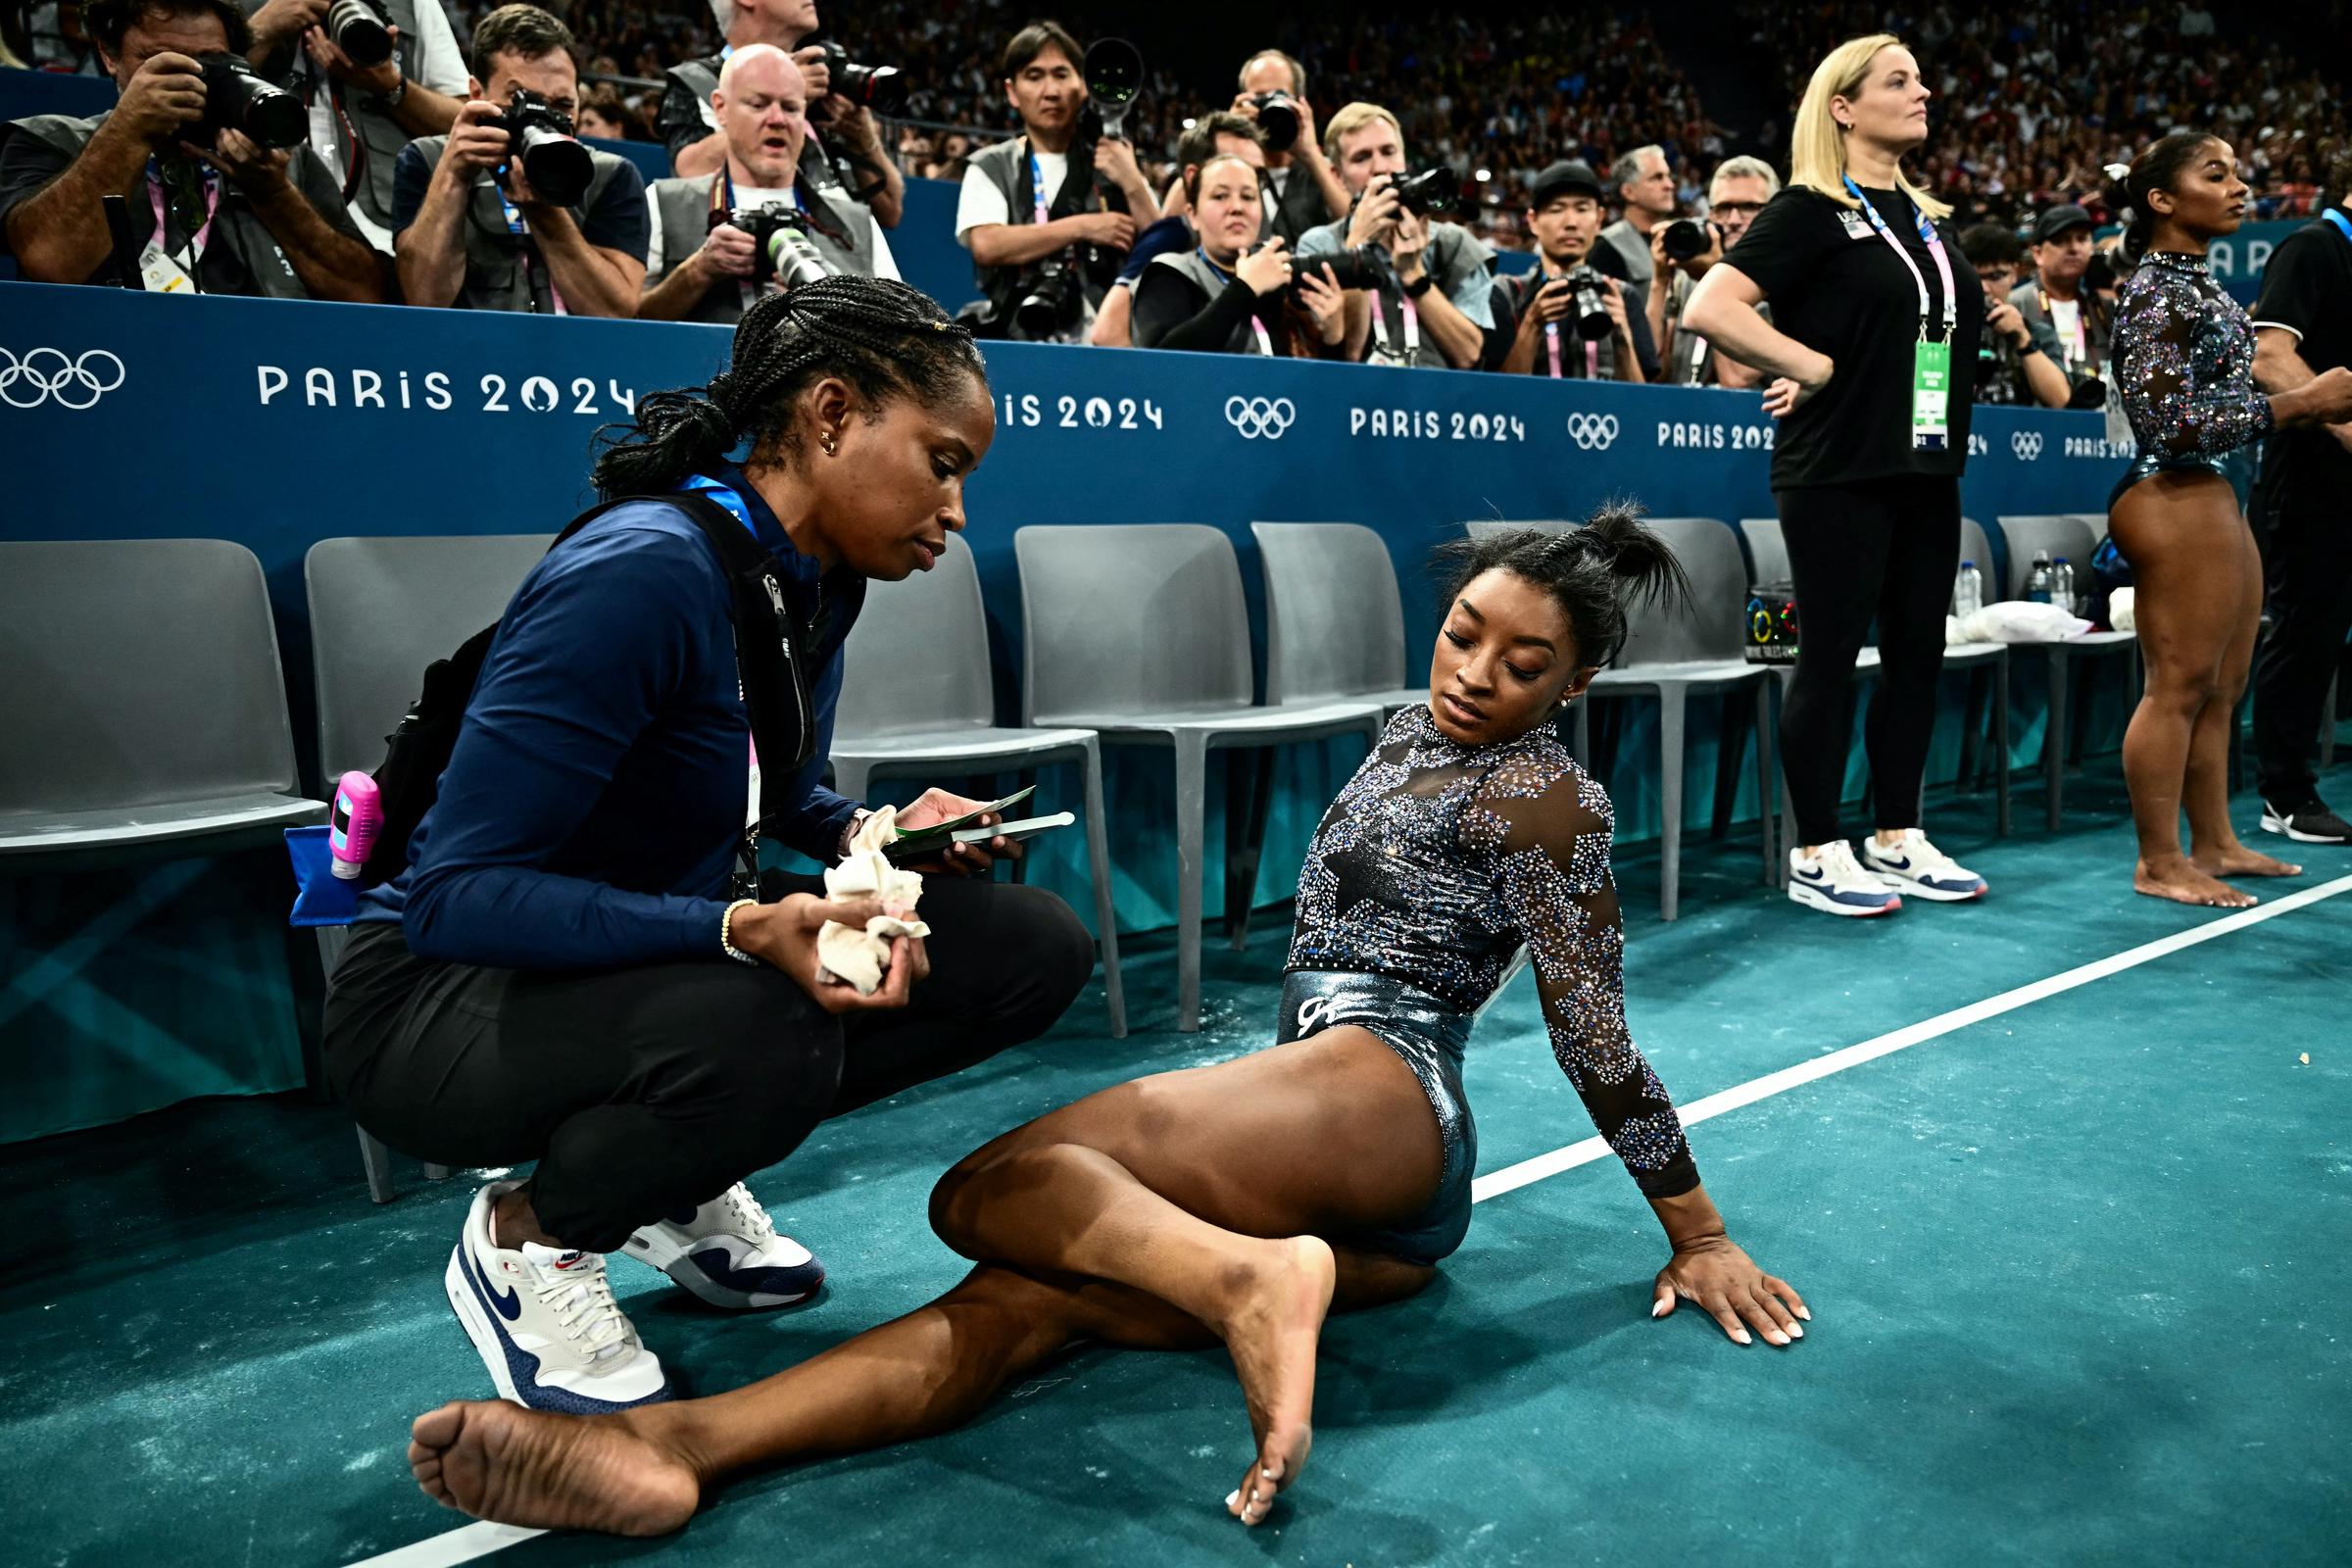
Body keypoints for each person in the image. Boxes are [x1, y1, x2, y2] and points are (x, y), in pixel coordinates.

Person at [399, 511, 1808, 1538]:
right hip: (1328, 1154)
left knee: (989, 1188)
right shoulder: (1409, 732)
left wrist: (1697, 1233)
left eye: (1525, 664)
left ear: (1574, 687)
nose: (1478, 673)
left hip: (1389, 1096)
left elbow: (1594, 1035)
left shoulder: (1547, 799)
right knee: (1020, 1299)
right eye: (1466, 635)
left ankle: (1259, 1284)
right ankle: (678, 1449)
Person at [325, 278, 1098, 1416]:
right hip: (436, 999)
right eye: (943, 462)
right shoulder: (641, 571)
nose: (958, 508)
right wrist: (738, 926)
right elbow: (455, 895)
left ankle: (670, 1181)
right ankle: (530, 1236)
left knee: (1029, 946)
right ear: (831, 415)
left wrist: (870, 832)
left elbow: (776, 797)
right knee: (773, 1018)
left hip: (628, 969)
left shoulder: (815, 579)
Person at [1683, 32, 1989, 917]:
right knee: (1828, 660)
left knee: (1918, 658)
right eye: (1900, 81)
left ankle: (1898, 832)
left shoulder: (1929, 219)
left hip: (1927, 465)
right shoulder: (1810, 207)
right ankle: (1817, 848)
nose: (1923, 92)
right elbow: (1713, 305)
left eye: (1923, 78)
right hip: (1836, 472)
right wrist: (1809, 366)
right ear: (1843, 106)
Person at [2102, 133, 2352, 906]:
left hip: (2211, 490)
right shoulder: (2155, 289)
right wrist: (2303, 404)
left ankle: (2213, 841)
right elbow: (2167, 422)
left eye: (2239, 172)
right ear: (2162, 201)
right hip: (2168, 491)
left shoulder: (2199, 287)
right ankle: (2158, 860)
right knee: (2176, 686)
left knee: (2223, 684)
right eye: (2217, 175)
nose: (2241, 186)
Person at [0, 0, 384, 298]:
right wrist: (130, 128)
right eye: (159, 60)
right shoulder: (48, 139)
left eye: (207, 62)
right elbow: (51, 264)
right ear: (109, 54)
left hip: (266, 371)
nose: (187, 77)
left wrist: (275, 195)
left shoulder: (285, 159)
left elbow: (362, 296)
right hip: (112, 368)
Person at [390, 4, 646, 315]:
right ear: (476, 93)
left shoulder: (611, 175)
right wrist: (453, 176)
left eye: (563, 105)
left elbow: (614, 313)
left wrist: (544, 210)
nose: (545, 120)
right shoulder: (426, 160)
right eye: (523, 100)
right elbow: (424, 297)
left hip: (574, 357)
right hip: (466, 356)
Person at [2247, 148, 2352, 848]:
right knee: (2306, 635)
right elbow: (2271, 357)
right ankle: (2284, 793)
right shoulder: (2312, 247)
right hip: (2313, 485)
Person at [638, 43, 896, 325]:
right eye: (758, 105)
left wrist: (828, 309)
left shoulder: (857, 223)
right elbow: (622, 322)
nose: (777, 120)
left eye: (791, 107)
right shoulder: (665, 203)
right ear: (721, 108)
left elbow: (898, 332)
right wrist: (698, 272)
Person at [955, 20, 1155, 344]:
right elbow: (987, 244)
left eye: (1061, 75)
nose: (1050, 91)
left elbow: (1160, 243)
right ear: (1012, 92)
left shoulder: (1114, 160)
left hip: (1108, 341)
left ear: (1082, 86)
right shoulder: (991, 164)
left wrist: (1132, 181)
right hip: (1020, 334)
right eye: (1034, 76)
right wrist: (1085, 227)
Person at [239, 0, 468, 252]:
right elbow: (201, 95)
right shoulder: (235, 6)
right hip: (262, 230)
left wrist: (389, 85)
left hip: (386, 236)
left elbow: (459, 126)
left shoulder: (413, 4)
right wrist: (260, 32)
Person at [659, 0, 902, 231]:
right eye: (757, 103)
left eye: (789, 107)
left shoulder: (823, 80)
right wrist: (787, 94)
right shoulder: (697, 80)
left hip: (841, 253)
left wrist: (864, 138)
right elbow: (690, 172)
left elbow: (891, 211)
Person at [1296, 101, 1494, 370]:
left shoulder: (1452, 243)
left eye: (1388, 152)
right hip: (1359, 403)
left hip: (1439, 403)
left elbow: (1469, 354)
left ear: (1403, 159)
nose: (1380, 167)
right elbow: (1349, 352)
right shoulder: (1321, 245)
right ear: (1337, 175)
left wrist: (1413, 274)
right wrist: (1357, 248)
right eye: (1361, 157)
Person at [1130, 152, 1345, 357]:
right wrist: (1244, 289)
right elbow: (1163, 363)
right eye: (1220, 196)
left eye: (1248, 196)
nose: (1236, 207)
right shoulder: (1168, 274)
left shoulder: (1281, 284)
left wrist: (1332, 340)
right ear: (1193, 215)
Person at [1090, 109, 1258, 349]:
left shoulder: (1261, 238)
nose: (1247, 177)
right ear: (1193, 176)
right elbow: (1107, 332)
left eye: (1257, 173)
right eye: (1230, 163)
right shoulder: (1171, 235)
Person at [1489, 158, 1655, 382]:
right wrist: (1531, 325)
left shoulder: (1622, 297)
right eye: (1557, 209)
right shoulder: (1507, 294)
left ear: (1599, 220)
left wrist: (1622, 339)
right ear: (1533, 221)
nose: (1571, 222)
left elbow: (1643, 403)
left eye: (1582, 209)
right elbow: (1494, 395)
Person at [1645, 156, 1777, 390]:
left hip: (1749, 422)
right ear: (1711, 214)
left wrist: (1713, 278)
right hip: (1682, 420)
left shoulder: (1786, 283)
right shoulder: (1689, 277)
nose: (1734, 220)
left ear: (1775, 213)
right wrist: (1660, 281)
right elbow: (1652, 371)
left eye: (1749, 207)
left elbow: (1735, 379)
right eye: (1724, 208)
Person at [1229, 47, 1346, 246]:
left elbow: (1355, 227)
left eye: (1280, 96)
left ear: (1300, 102)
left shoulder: (1322, 171)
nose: (1270, 106)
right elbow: (1172, 224)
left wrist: (1310, 154)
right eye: (1260, 97)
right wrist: (1227, 143)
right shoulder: (1228, 172)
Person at [1956, 222, 2070, 407]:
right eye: (1974, 277)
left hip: (2018, 431)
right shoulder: (1944, 331)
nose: (1984, 288)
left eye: (1995, 277)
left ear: (2014, 273)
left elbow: (2059, 400)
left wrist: (2023, 338)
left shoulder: (2037, 334)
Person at [2008, 204, 2110, 407]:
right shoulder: (2015, 304)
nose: (2073, 248)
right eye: (2061, 241)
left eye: (2082, 239)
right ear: (2037, 253)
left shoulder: (2105, 307)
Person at [1593, 142, 1673, 300]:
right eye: (1657, 178)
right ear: (1629, 192)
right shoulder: (1606, 247)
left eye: (1668, 176)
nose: (1669, 185)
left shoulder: (1682, 236)